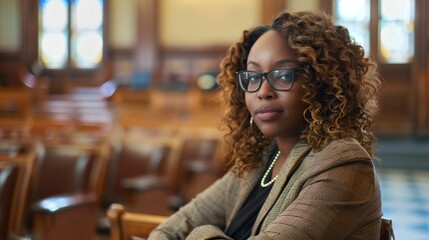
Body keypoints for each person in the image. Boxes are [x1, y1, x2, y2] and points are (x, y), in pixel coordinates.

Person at [148, 11, 382, 240]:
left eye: (282, 75)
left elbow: (188, 230)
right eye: (252, 77)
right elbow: (169, 229)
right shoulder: (261, 159)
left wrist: (200, 234)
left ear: (323, 83)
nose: (263, 92)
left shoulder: (344, 164)